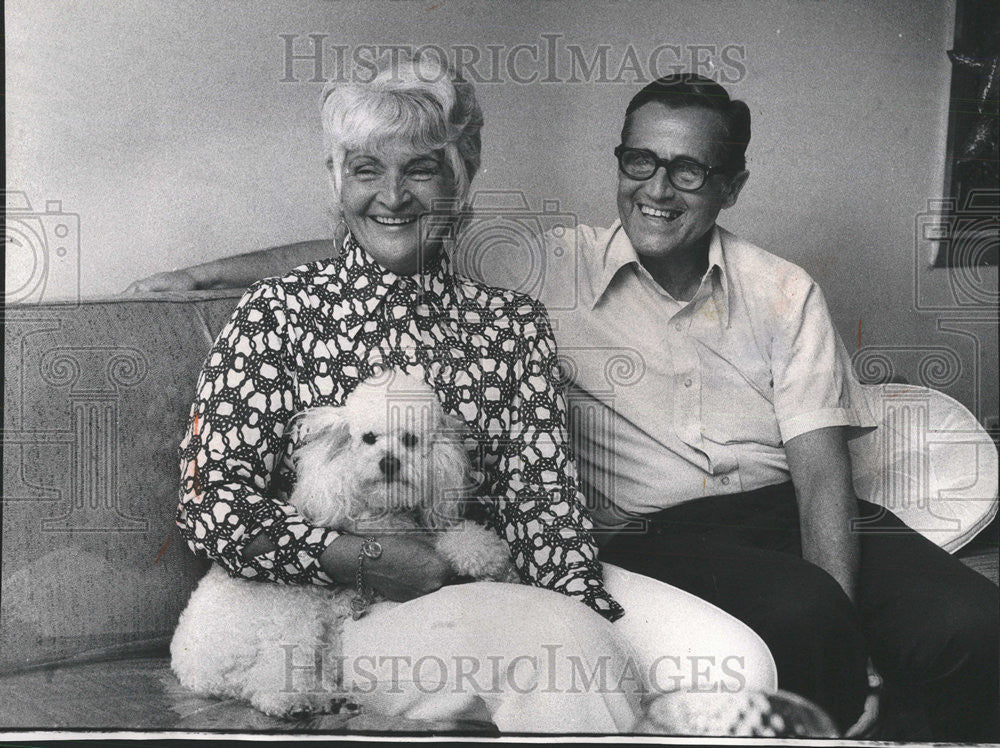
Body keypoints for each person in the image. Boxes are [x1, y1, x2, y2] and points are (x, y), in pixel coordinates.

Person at [142, 72, 998, 742]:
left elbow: (808, 482)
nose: (659, 189)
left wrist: (579, 598)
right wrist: (198, 278)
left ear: (729, 185)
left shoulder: (525, 311)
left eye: (689, 168)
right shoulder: (523, 270)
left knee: (972, 623)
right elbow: (385, 231)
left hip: (742, 520)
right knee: (768, 626)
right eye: (641, 161)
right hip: (630, 540)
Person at [170, 57, 778, 734]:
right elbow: (212, 505)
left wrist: (583, 604)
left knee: (737, 664)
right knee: (557, 660)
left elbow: (542, 505)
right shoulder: (277, 313)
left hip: (485, 584)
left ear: (460, 178)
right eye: (367, 168)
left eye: (421, 168)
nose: (392, 195)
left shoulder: (510, 325)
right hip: (332, 617)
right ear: (337, 181)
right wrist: (362, 557)